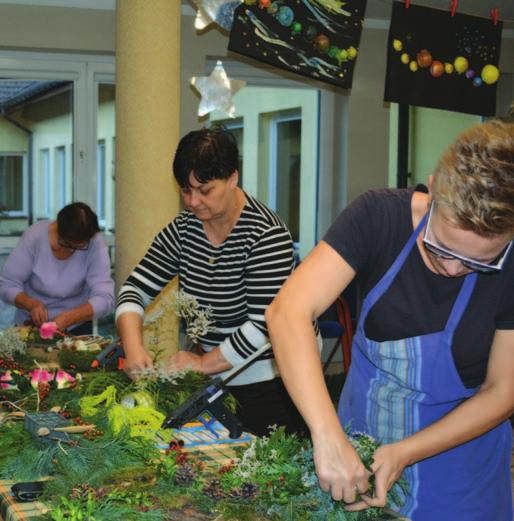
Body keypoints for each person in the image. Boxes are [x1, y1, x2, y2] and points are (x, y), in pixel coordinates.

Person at [266, 120, 514, 521]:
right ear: (432, 189)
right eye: (441, 247)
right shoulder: (378, 217)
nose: (452, 269)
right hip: (355, 460)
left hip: (460, 482)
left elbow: (502, 391)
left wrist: (406, 451)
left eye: (478, 263)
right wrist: (328, 435)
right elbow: (288, 312)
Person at [116, 126, 315, 437]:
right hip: (219, 375)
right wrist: (133, 346)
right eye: (185, 190)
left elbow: (264, 325)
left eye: (204, 190)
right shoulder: (184, 229)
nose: (193, 202)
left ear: (232, 178)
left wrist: (202, 363)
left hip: (274, 378)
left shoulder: (266, 234)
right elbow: (135, 289)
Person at [0, 202, 114, 335]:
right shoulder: (35, 236)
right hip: (29, 326)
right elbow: (7, 285)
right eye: (66, 243)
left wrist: (70, 317)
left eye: (79, 246)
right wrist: (30, 304)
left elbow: (105, 298)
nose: (71, 251)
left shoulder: (95, 244)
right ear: (57, 227)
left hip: (76, 328)